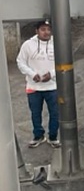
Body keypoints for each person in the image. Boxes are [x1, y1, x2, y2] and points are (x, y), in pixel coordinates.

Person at [16, 19, 59, 148]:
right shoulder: (28, 45)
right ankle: (38, 136)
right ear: (37, 31)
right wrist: (32, 74)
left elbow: (63, 62)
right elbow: (20, 62)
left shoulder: (57, 44)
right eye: (43, 29)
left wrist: (51, 74)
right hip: (33, 87)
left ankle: (53, 137)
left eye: (48, 29)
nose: (46, 32)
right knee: (35, 113)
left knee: (55, 113)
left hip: (52, 86)